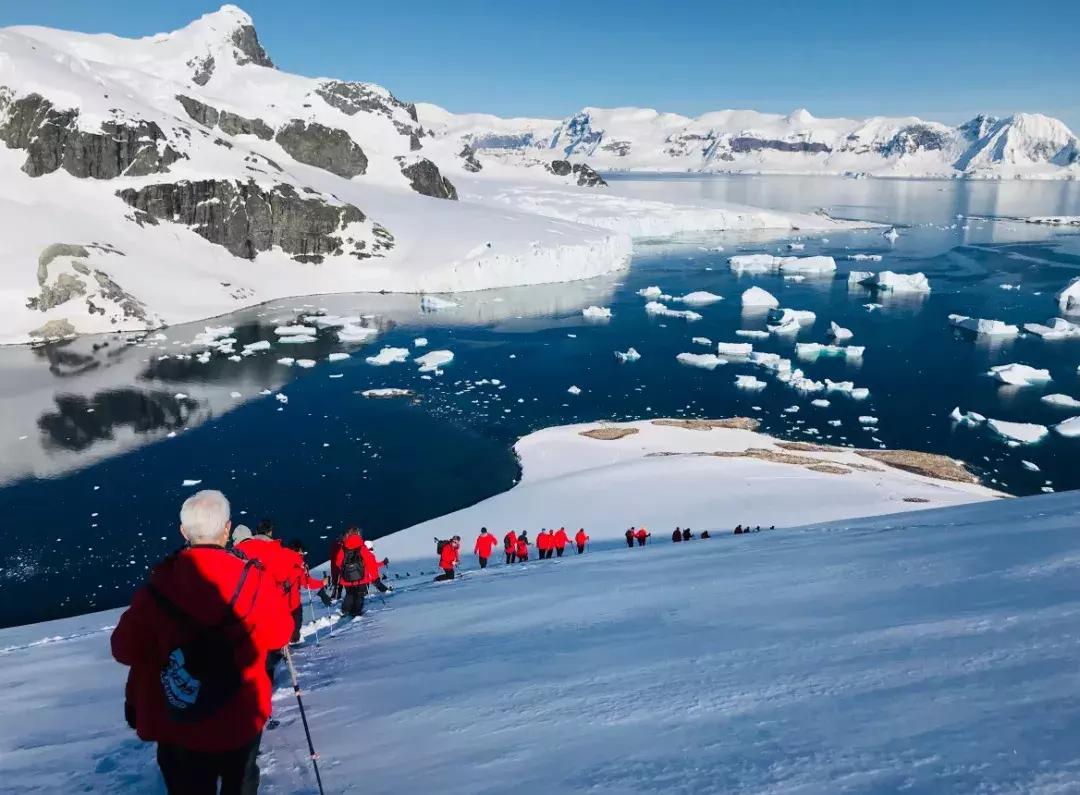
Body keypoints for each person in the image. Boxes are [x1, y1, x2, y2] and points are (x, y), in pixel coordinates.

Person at [112, 490, 293, 795]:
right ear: (227, 529)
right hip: (240, 713)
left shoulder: (159, 587)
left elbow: (124, 648)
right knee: (242, 782)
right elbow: (280, 635)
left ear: (184, 532)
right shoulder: (255, 580)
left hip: (178, 718)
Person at [234, 519, 296, 680]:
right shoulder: (267, 548)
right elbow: (283, 574)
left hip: (245, 606)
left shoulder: (233, 553)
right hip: (270, 600)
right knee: (270, 638)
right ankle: (268, 674)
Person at [283, 539, 328, 643]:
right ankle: (293, 644)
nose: (302, 553)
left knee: (286, 627)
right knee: (295, 626)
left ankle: (284, 646)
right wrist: (322, 583)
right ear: (297, 550)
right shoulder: (299, 565)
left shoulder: (280, 560)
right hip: (293, 602)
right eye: (301, 551)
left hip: (281, 601)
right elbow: (306, 582)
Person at [334, 527, 369, 617]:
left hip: (347, 577)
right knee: (360, 595)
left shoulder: (344, 548)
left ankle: (345, 610)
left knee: (349, 594)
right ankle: (356, 612)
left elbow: (338, 562)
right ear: (357, 534)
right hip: (361, 577)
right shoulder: (362, 547)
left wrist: (345, 569)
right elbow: (369, 561)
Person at [327, 533, 344, 600]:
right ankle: (337, 594)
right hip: (338, 566)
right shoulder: (339, 545)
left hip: (336, 565)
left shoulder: (334, 544)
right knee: (339, 580)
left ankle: (336, 594)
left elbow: (331, 556)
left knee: (337, 580)